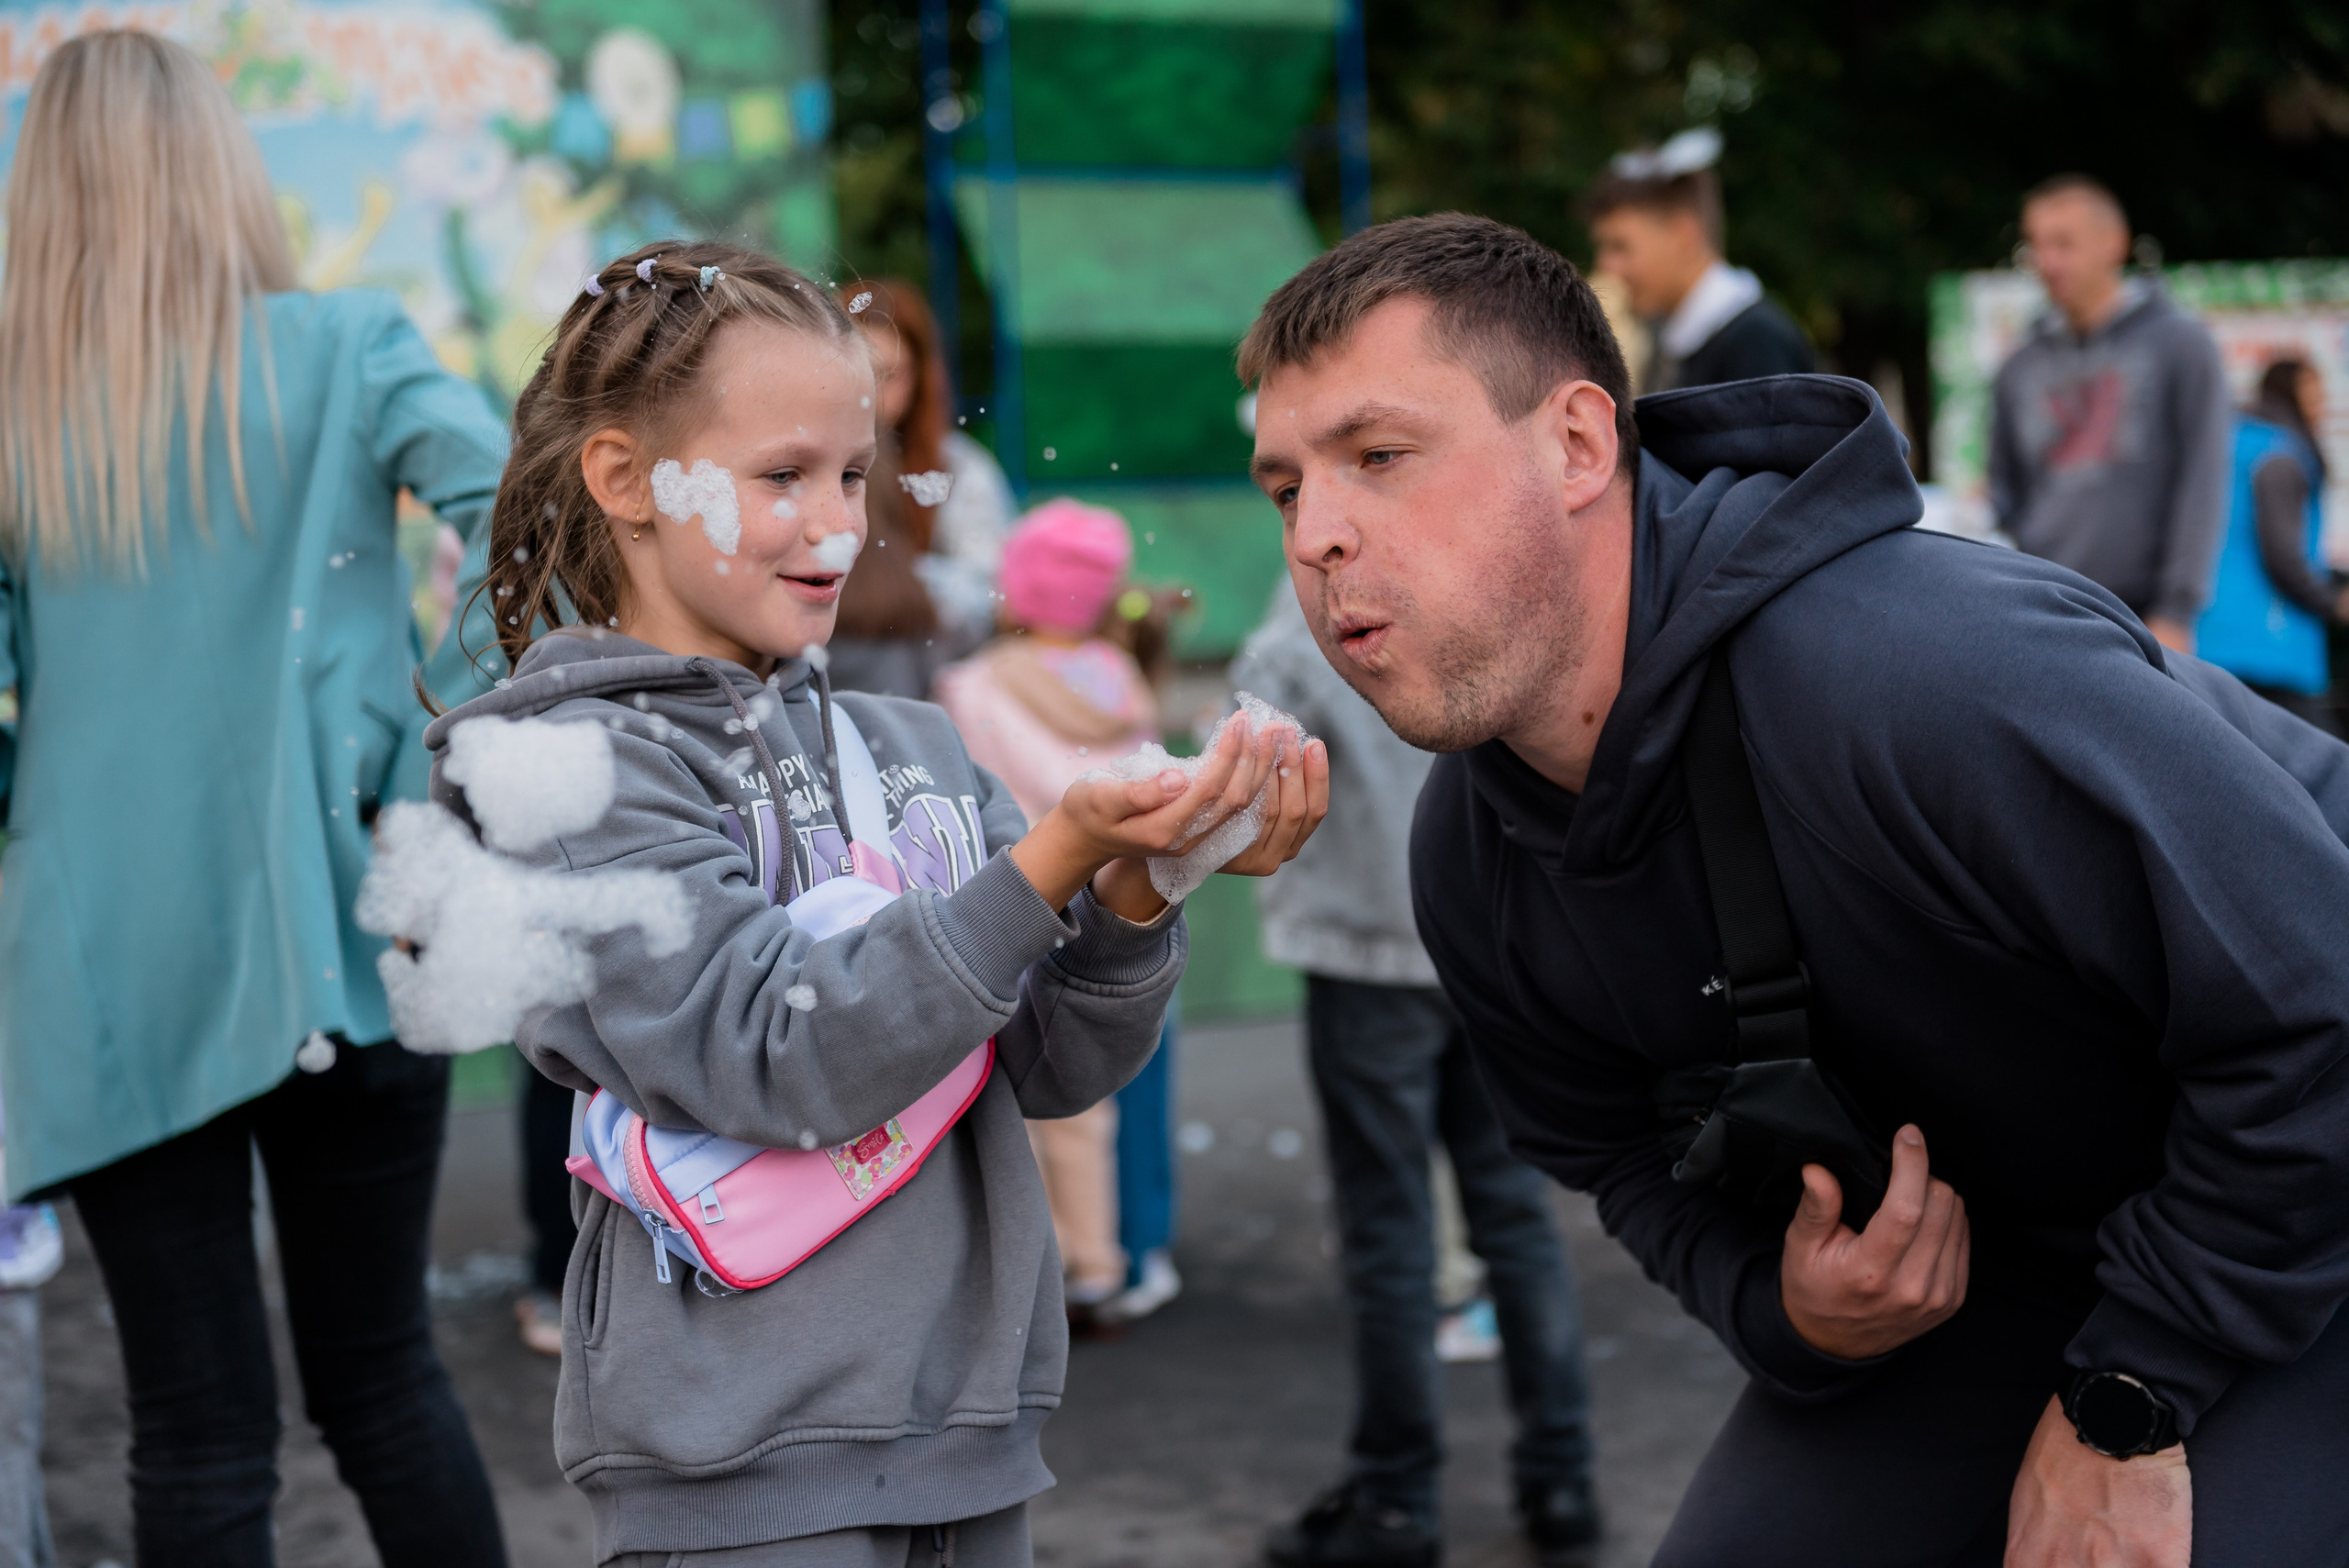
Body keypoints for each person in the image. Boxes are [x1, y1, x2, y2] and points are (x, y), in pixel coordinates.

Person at [1239, 212, 2349, 1568]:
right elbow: (1619, 1160)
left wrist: (2130, 1395)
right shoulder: (1470, 857)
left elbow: (2325, 1009)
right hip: (2015, 1276)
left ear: (1581, 444)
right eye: (1288, 488)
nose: (1320, 538)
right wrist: (1790, 1309)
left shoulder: (1916, 673)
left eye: (1380, 457)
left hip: (2300, 1202)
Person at [429, 239, 1327, 1565]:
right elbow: (773, 1050)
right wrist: (1046, 862)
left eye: (853, 475)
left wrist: (1135, 891)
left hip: (973, 1442)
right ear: (624, 477)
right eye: (781, 475)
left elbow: (1048, 1063)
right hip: (743, 1473)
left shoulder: (919, 750)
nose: (842, 524)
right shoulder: (568, 779)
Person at [0, 33, 511, 1567]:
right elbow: (532, 517)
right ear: (226, 167)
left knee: (195, 1425)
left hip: (108, 960)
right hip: (340, 921)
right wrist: (429, 745)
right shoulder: (348, 345)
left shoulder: (19, 407)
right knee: (381, 1378)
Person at [1231, 586, 1601, 1568]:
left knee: (1388, 1229)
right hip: (1491, 941)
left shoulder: (1322, 591)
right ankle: (1561, 1476)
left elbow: (1258, 722)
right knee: (1513, 1212)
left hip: (1366, 950)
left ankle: (1396, 1500)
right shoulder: (1477, 573)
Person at [935, 499, 1166, 1318]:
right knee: (1098, 1101)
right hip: (1117, 902)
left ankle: (1040, 1262)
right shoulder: (1118, 674)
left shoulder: (979, 683)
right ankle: (1104, 1258)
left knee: (1023, 1101)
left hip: (1020, 899)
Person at [1988, 174, 2233, 654]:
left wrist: (2176, 609)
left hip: (2149, 619)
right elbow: (2005, 489)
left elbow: (2203, 480)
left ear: (2114, 245)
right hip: (2046, 613)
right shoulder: (2017, 367)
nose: (2048, 262)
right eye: (2037, 245)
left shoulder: (2180, 344)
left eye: (2065, 244)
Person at [1585, 127, 1811, 391]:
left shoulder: (1756, 343)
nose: (1606, 266)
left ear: (1684, 234)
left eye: (1620, 246)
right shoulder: (1676, 341)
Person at [2196, 357, 2341, 731]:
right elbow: (2284, 557)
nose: (2321, 406)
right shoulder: (2280, 455)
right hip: (2270, 641)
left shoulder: (2232, 441)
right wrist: (2332, 602)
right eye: (2314, 395)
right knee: (2320, 774)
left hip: (2213, 637)